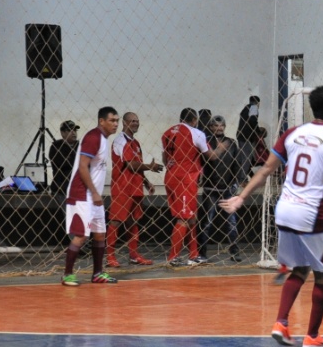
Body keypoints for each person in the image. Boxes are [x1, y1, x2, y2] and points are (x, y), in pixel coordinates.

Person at [220, 85, 323, 347]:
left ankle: (281, 323)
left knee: (300, 268)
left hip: (284, 211)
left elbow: (266, 169)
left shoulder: (293, 133)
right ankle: (312, 336)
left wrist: (241, 197)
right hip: (312, 214)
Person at [60, 107, 121, 286]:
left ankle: (97, 273)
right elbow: (82, 166)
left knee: (100, 234)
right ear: (101, 121)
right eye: (112, 120)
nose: (115, 124)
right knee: (81, 235)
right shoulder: (93, 137)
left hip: (94, 196)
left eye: (117, 120)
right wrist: (94, 192)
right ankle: (67, 275)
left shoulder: (103, 139)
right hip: (82, 194)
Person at [162, 107, 225, 266]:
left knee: (191, 216)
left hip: (170, 176)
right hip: (186, 179)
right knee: (183, 217)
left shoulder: (167, 132)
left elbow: (165, 156)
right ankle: (173, 257)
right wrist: (221, 149)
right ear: (195, 120)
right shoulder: (196, 133)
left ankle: (194, 254)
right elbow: (210, 156)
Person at [106, 112, 164, 267]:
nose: (135, 123)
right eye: (132, 121)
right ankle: (110, 256)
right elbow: (131, 165)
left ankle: (134, 255)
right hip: (122, 187)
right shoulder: (120, 141)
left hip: (135, 186)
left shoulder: (136, 143)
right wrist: (150, 167)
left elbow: (137, 165)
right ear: (124, 123)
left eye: (137, 121)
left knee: (133, 221)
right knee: (116, 220)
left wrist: (146, 181)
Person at [198, 115, 247, 262]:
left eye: (221, 126)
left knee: (231, 222)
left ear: (224, 127)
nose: (219, 128)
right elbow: (200, 162)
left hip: (227, 188)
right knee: (206, 222)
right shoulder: (205, 143)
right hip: (210, 188)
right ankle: (202, 253)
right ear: (211, 127)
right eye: (215, 126)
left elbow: (237, 162)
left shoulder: (231, 143)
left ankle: (234, 251)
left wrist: (238, 181)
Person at [49, 120, 80, 195]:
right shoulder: (56, 147)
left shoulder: (80, 145)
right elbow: (66, 164)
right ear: (62, 133)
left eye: (75, 130)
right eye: (69, 130)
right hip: (62, 188)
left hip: (78, 187)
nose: (73, 133)